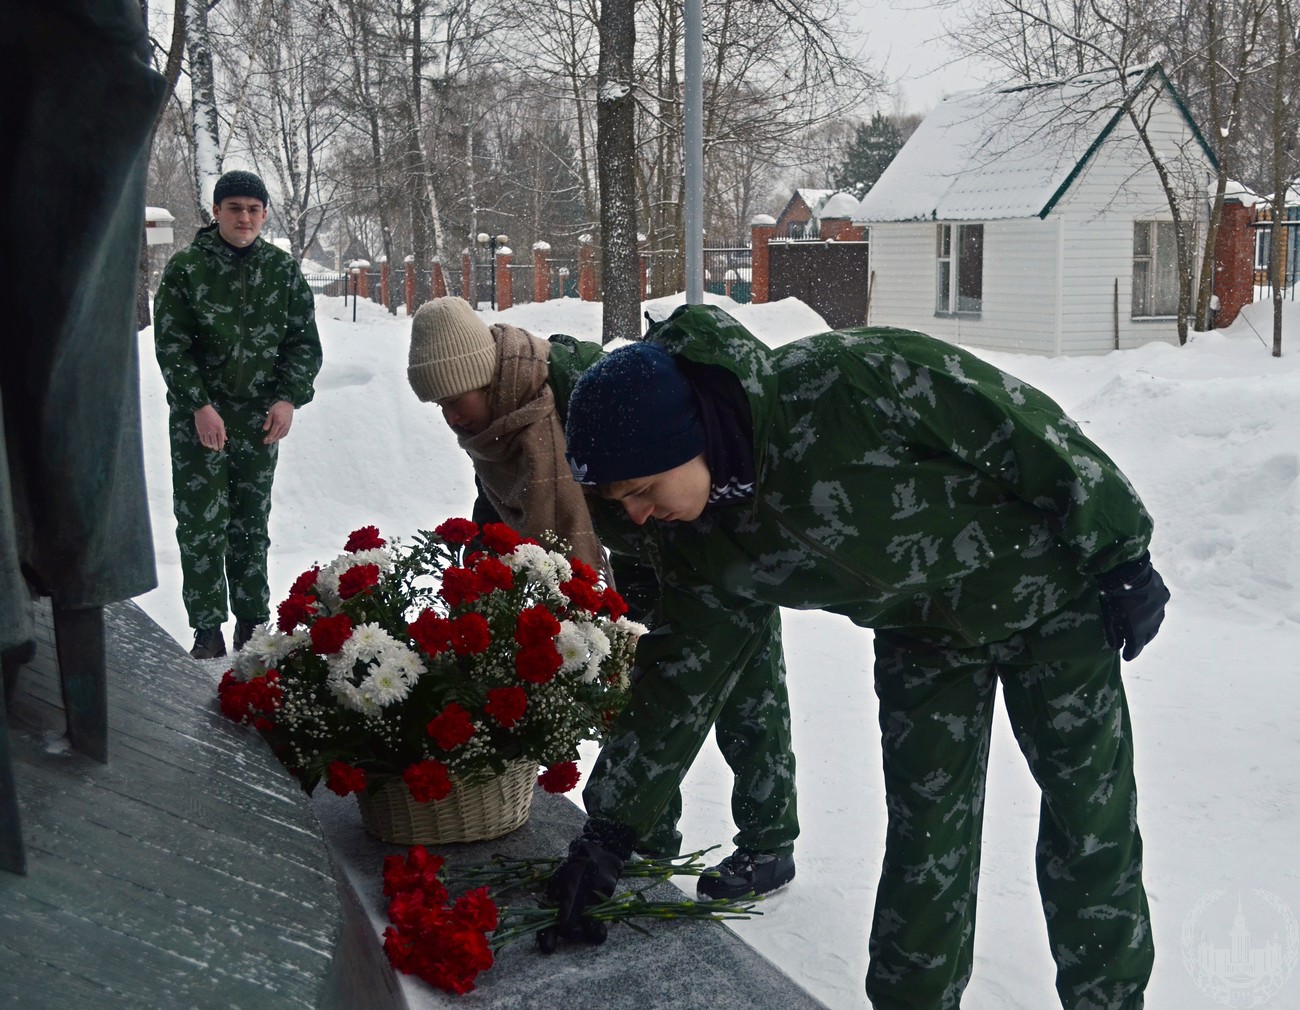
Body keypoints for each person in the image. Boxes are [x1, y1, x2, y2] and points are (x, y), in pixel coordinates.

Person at [541, 303, 1169, 1010]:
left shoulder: (853, 383)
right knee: (926, 839)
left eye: (642, 491)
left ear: (688, 439)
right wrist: (610, 827)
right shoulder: (703, 542)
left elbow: (1024, 428)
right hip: (924, 637)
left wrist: (1121, 551)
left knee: (1090, 820)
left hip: (1049, 603)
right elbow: (679, 682)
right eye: (618, 502)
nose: (636, 516)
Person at [406, 297, 800, 895]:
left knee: (745, 689)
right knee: (632, 690)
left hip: (704, 537)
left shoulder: (576, 389)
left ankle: (769, 844)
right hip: (636, 553)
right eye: (438, 405)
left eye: (453, 399)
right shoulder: (499, 426)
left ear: (482, 376)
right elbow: (502, 505)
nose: (449, 415)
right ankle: (644, 839)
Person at [153, 170, 322, 660]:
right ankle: (207, 631)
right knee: (201, 523)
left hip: (258, 421)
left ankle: (252, 625)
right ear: (217, 213)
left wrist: (289, 397)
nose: (244, 217)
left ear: (264, 214)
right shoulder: (187, 269)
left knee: (250, 524)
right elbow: (173, 347)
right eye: (234, 208)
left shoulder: (282, 270)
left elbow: (303, 344)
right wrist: (199, 406)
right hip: (199, 418)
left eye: (253, 209)